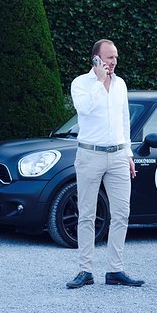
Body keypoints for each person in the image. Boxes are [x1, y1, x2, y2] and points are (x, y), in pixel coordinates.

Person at [66, 39, 142, 289]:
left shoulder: (121, 84)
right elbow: (84, 110)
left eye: (116, 57)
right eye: (109, 57)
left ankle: (115, 270)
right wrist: (99, 82)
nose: (114, 62)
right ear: (96, 59)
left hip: (118, 155)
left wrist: (128, 153)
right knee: (87, 214)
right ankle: (85, 270)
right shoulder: (81, 83)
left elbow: (124, 120)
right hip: (90, 155)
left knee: (122, 213)